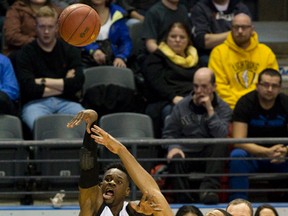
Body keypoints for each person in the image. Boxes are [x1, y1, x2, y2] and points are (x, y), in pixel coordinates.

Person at [66, 109, 174, 216]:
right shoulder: (93, 207)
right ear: (100, 185)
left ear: (127, 191)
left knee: (157, 201)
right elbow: (87, 165)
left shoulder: (137, 210)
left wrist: (120, 149)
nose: (111, 183)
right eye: (107, 179)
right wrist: (93, 122)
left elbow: (153, 192)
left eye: (119, 182)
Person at [162, 67, 232, 204]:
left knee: (221, 143)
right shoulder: (182, 106)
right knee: (175, 156)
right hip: (186, 152)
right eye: (196, 86)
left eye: (204, 86)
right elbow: (169, 134)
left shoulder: (223, 108)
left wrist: (210, 110)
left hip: (209, 155)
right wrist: (173, 147)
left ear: (214, 87)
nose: (199, 91)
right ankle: (183, 200)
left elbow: (222, 134)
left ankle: (208, 191)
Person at [15, 5, 84, 131]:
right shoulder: (25, 53)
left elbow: (78, 82)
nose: (46, 31)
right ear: (36, 28)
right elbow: (28, 87)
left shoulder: (69, 50)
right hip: (35, 104)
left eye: (50, 27)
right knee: (40, 127)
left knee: (86, 123)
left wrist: (41, 81)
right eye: (42, 27)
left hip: (67, 102)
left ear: (57, 28)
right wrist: (65, 84)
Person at [229, 68, 288, 201]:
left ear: (280, 88)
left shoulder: (285, 103)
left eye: (274, 86)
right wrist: (266, 152)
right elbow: (238, 140)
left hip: (280, 157)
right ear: (257, 86)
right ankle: (238, 203)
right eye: (266, 85)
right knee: (237, 155)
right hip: (253, 157)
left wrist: (285, 151)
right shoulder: (245, 103)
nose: (269, 89)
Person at [208, 13, 278, 110]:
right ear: (231, 29)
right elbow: (219, 86)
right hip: (229, 108)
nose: (240, 31)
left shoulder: (266, 53)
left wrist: (255, 105)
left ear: (252, 29)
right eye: (236, 27)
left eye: (244, 27)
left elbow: (272, 83)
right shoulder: (218, 52)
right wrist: (240, 106)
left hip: (260, 107)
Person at [142, 21, 199, 137]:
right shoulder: (156, 58)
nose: (177, 40)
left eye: (182, 37)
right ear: (166, 38)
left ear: (188, 39)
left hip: (192, 98)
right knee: (173, 111)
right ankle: (172, 148)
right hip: (165, 101)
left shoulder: (196, 60)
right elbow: (156, 83)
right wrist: (173, 97)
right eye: (173, 36)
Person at [190, 0, 251, 66]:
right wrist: (234, 34)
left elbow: (248, 35)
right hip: (208, 55)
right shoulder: (200, 8)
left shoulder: (240, 7)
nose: (239, 31)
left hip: (237, 52)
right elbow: (203, 41)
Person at [80, 0, 132, 68]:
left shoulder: (118, 13)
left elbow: (125, 41)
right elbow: (79, 38)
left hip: (113, 58)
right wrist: (93, 50)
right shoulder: (80, 14)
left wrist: (121, 57)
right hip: (87, 59)